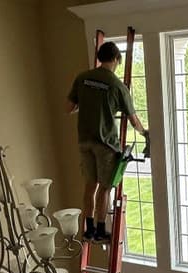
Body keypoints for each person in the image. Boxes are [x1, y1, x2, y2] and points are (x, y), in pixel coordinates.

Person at [67, 41, 147, 243]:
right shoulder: (117, 86)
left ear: (99, 57)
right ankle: (101, 231)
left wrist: (85, 106)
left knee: (89, 186)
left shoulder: (82, 78)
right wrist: (145, 132)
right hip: (105, 144)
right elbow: (133, 120)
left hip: (84, 141)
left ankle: (89, 229)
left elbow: (69, 107)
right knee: (104, 188)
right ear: (116, 59)